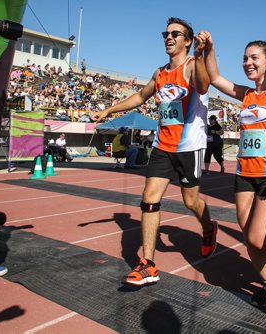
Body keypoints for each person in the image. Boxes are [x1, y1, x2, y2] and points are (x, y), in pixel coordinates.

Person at [91, 17, 218, 286]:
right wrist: (110, 109)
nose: (168, 37)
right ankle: (148, 264)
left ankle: (209, 228)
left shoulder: (193, 66)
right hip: (162, 146)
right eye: (165, 33)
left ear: (187, 39)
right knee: (149, 200)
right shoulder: (159, 72)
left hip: (189, 147)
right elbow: (140, 97)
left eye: (175, 33)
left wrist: (202, 54)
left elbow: (204, 86)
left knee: (191, 202)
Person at [201, 32, 266, 306]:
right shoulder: (245, 93)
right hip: (244, 173)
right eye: (245, 58)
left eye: (254, 58)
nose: (248, 63)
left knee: (257, 238)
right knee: (248, 234)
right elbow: (214, 78)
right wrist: (210, 47)